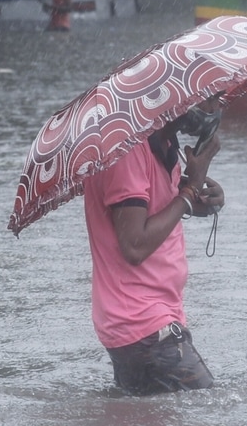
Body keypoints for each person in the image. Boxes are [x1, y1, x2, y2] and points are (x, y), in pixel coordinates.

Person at [83, 106, 226, 394]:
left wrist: (204, 198)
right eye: (201, 99)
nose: (207, 108)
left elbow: (157, 204)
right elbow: (134, 244)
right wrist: (191, 188)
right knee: (214, 411)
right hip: (143, 322)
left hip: (145, 321)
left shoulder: (162, 141)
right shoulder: (128, 151)